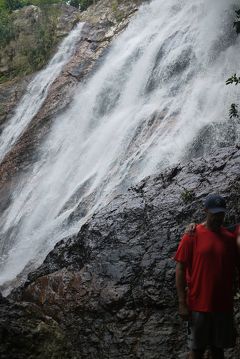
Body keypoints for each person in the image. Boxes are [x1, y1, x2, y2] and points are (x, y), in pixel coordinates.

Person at [175, 194, 240, 359]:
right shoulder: (191, 235)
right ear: (205, 210)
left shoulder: (230, 238)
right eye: (214, 213)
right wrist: (182, 303)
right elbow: (180, 269)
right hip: (198, 305)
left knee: (219, 350)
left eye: (221, 213)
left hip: (222, 305)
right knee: (196, 351)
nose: (218, 217)